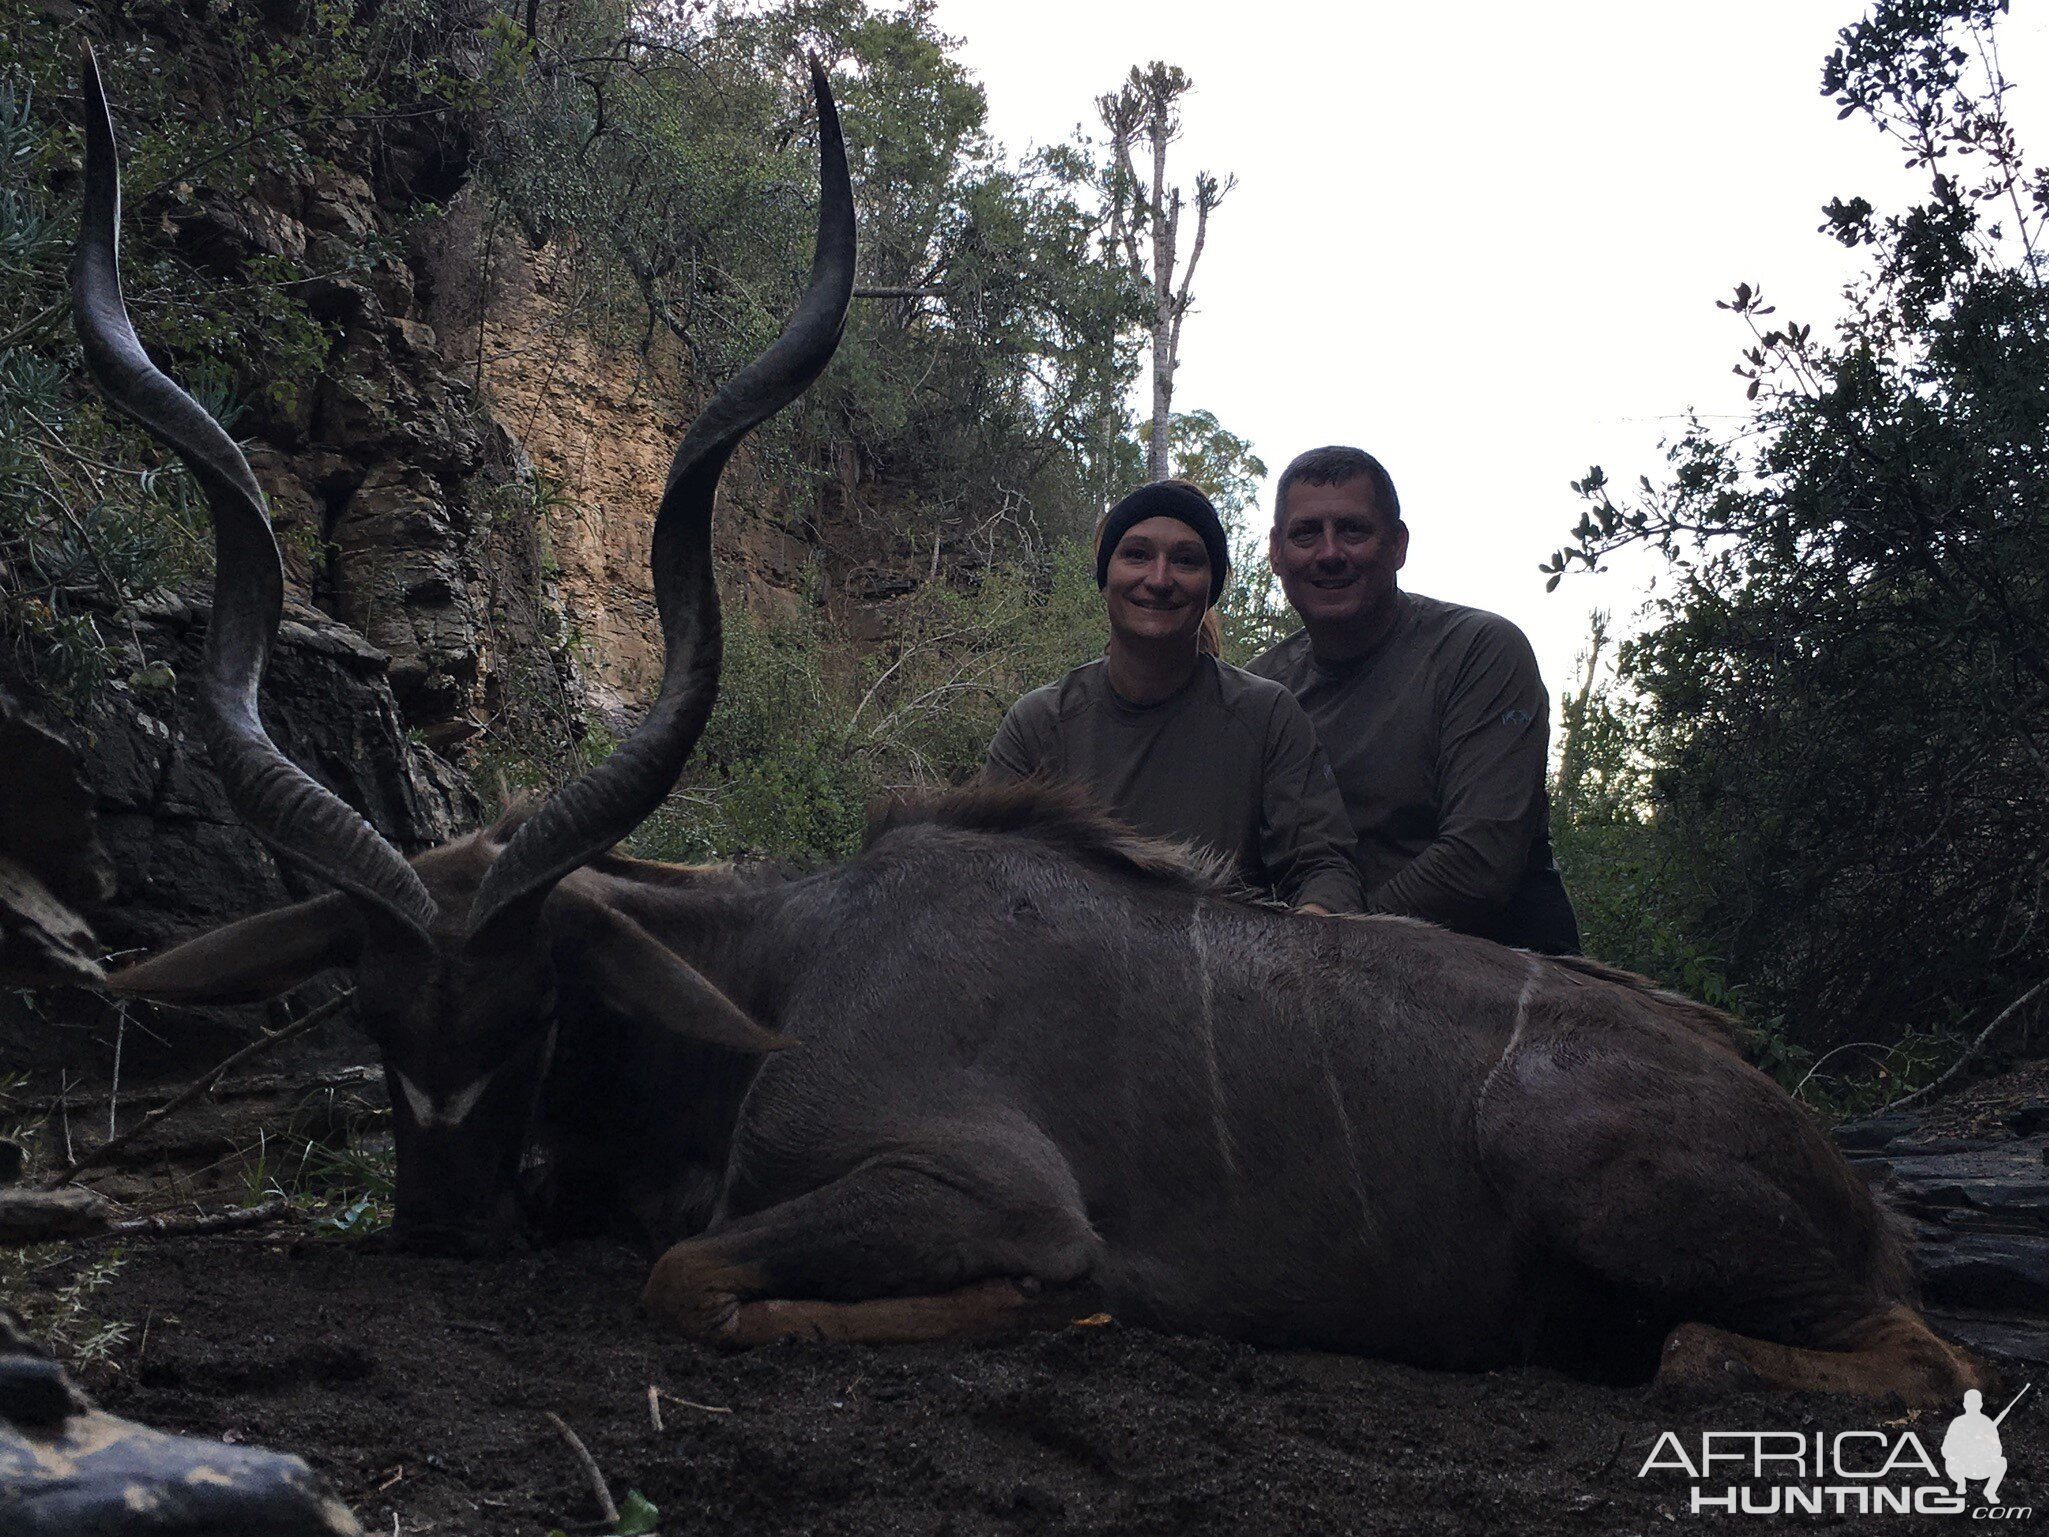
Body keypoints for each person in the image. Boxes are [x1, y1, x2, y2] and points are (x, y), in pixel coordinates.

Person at [1247, 446, 1581, 952]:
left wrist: (1324, 949)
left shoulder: (1479, 652)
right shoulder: (1262, 692)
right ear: (1276, 551)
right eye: (1306, 533)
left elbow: (1478, 863)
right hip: (1326, 991)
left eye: (1354, 530)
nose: (1330, 552)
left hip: (1510, 991)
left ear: (1398, 545)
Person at [985, 480, 1361, 914]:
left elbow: (1325, 870)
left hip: (1221, 973)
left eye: (1185, 560)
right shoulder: (1038, 725)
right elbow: (989, 883)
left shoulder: (1267, 716)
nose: (1160, 579)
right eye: (1137, 555)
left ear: (1210, 587)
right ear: (1105, 577)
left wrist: (1300, 944)